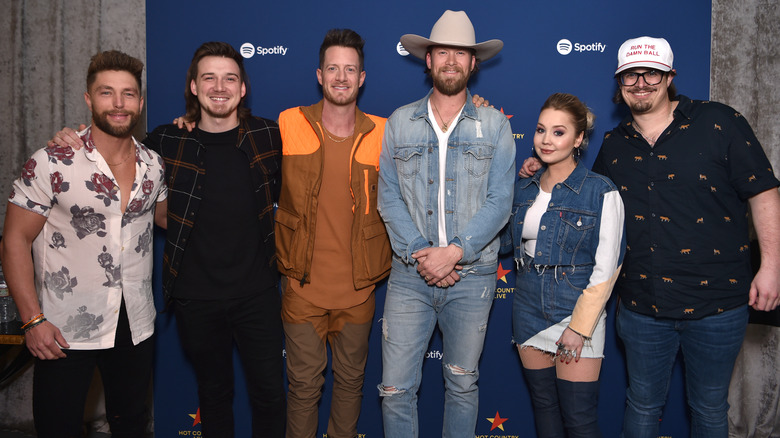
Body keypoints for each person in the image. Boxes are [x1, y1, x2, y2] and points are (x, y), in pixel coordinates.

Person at [521, 36, 780, 438]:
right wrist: (538, 166)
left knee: (710, 408)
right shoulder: (614, 145)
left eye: (651, 73)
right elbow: (585, 199)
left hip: (718, 303)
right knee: (641, 404)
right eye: (630, 75)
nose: (640, 83)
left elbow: (763, 191)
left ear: (669, 76)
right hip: (643, 307)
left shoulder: (720, 122)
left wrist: (772, 267)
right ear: (619, 82)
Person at [49, 42, 286, 438]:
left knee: (270, 397)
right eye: (209, 78)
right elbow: (114, 149)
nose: (220, 87)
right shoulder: (166, 141)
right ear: (194, 86)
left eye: (230, 78)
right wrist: (72, 137)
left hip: (258, 293)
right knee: (213, 395)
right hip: (196, 296)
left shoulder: (268, 136)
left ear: (243, 88)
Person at [1, 50, 167, 437]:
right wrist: (32, 320)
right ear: (89, 99)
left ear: (140, 102)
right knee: (58, 426)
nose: (119, 103)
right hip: (63, 326)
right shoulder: (51, 162)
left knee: (131, 424)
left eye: (128, 94)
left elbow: (166, 219)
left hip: (135, 323)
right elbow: (14, 240)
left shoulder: (154, 166)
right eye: (107, 93)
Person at [377, 10, 515, 438]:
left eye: (461, 52)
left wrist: (454, 251)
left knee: (461, 382)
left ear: (474, 63)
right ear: (428, 60)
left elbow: (500, 202)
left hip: (472, 278)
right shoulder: (400, 122)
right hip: (408, 276)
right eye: (442, 52)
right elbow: (389, 198)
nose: (451, 60)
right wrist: (424, 255)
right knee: (396, 390)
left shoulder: (494, 126)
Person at [274, 29, 392, 438]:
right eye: (333, 68)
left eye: (350, 69)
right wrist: (188, 121)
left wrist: (477, 107)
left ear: (361, 78)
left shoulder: (384, 131)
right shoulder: (289, 123)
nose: (341, 77)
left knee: (350, 386)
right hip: (302, 289)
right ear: (319, 75)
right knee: (304, 390)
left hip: (358, 292)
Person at [504, 93, 625, 437]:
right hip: (527, 309)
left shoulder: (601, 191)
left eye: (559, 132)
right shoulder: (523, 189)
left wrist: (580, 326)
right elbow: (503, 243)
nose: (546, 140)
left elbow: (609, 266)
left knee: (579, 417)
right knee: (545, 410)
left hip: (575, 314)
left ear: (579, 139)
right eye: (541, 130)